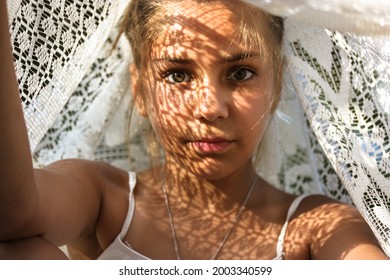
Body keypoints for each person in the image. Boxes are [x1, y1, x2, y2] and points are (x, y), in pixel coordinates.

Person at [0, 0, 388, 260]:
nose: (210, 108)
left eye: (240, 73)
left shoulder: (316, 230)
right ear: (139, 87)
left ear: (276, 86)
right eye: (178, 74)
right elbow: (14, 213)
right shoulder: (107, 202)